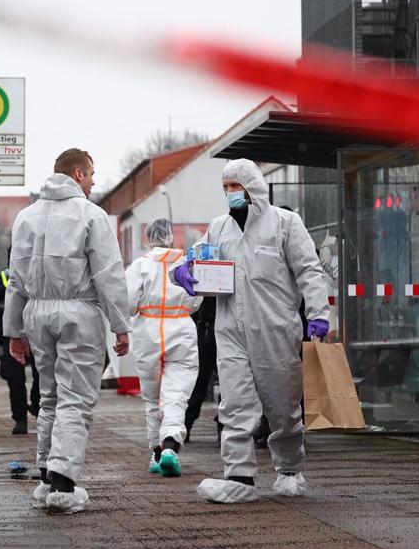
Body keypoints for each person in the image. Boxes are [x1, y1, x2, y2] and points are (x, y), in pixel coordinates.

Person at [172, 159, 330, 504]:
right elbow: (195, 259)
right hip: (231, 331)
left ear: (253, 187)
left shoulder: (285, 223)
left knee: (283, 406)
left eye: (236, 186)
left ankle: (289, 470)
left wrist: (318, 313)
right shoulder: (219, 228)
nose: (230, 193)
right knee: (235, 404)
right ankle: (239, 476)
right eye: (226, 187)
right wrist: (183, 271)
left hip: (276, 330)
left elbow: (309, 270)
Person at [4, 148, 131, 514]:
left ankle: (47, 474)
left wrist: (14, 329)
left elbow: (16, 277)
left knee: (50, 396)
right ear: (78, 174)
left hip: (36, 312)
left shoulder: (26, 217)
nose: (93, 182)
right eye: (91, 175)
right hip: (78, 312)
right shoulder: (90, 215)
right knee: (76, 398)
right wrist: (120, 325)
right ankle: (63, 481)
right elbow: (108, 274)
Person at [125, 218, 202, 477]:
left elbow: (128, 303)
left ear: (148, 238)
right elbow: (196, 300)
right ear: (172, 237)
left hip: (147, 333)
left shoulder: (140, 266)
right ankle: (170, 446)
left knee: (152, 397)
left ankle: (157, 453)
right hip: (181, 330)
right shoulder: (186, 264)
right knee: (176, 394)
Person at [0, 258, 40, 434]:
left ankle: (38, 406)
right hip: (11, 334)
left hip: (38, 333)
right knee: (15, 379)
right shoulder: (3, 279)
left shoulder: (40, 272)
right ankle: (20, 419)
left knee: (43, 376)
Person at [183, 297, 218, 443]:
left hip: (207, 325)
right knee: (199, 380)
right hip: (208, 325)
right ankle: (185, 425)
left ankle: (185, 426)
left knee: (198, 380)